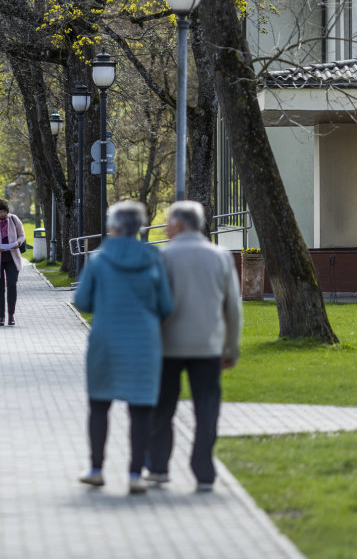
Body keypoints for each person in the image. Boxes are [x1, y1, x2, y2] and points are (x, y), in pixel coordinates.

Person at [74, 201, 173, 494]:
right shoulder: (153, 258)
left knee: (99, 405)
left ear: (114, 227)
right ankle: (135, 474)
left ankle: (96, 469)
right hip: (144, 343)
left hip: (106, 341)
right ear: (139, 227)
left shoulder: (99, 259)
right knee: (141, 409)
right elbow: (166, 305)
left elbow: (82, 301)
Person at [146, 201, 242, 493]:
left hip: (167, 347)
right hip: (207, 346)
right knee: (207, 407)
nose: (165, 227)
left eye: (167, 222)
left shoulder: (162, 257)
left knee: (162, 408)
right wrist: (231, 347)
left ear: (178, 225)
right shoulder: (220, 256)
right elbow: (233, 308)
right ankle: (204, 471)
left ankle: (159, 467)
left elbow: (151, 305)